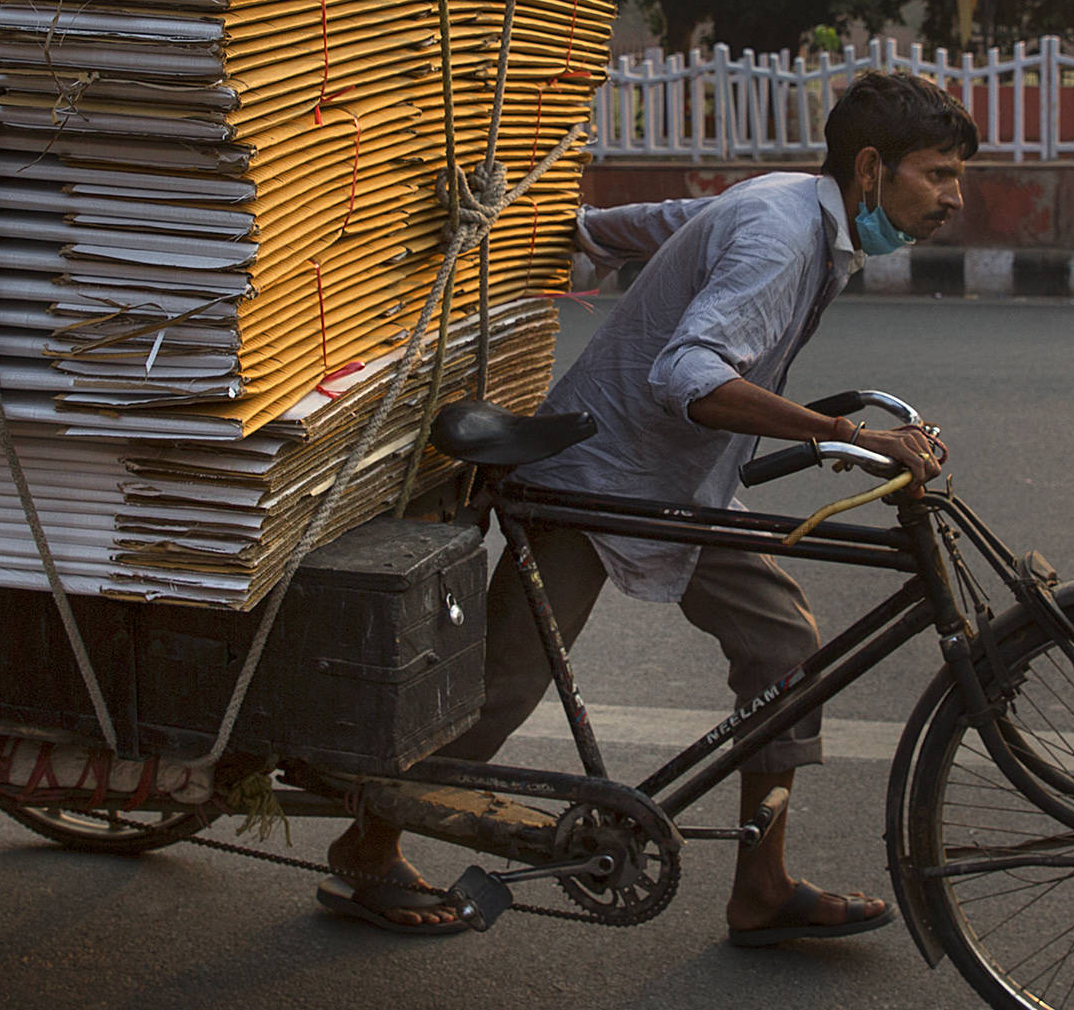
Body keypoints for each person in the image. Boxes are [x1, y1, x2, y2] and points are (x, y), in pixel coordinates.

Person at [320, 69, 974, 943]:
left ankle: (762, 887)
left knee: (783, 647)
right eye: (938, 174)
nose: (954, 197)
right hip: (601, 479)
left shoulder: (795, 204)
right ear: (869, 169)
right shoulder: (787, 235)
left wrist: (584, 233)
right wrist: (832, 433)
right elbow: (688, 373)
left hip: (681, 485)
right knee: (501, 689)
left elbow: (680, 224)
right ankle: (369, 846)